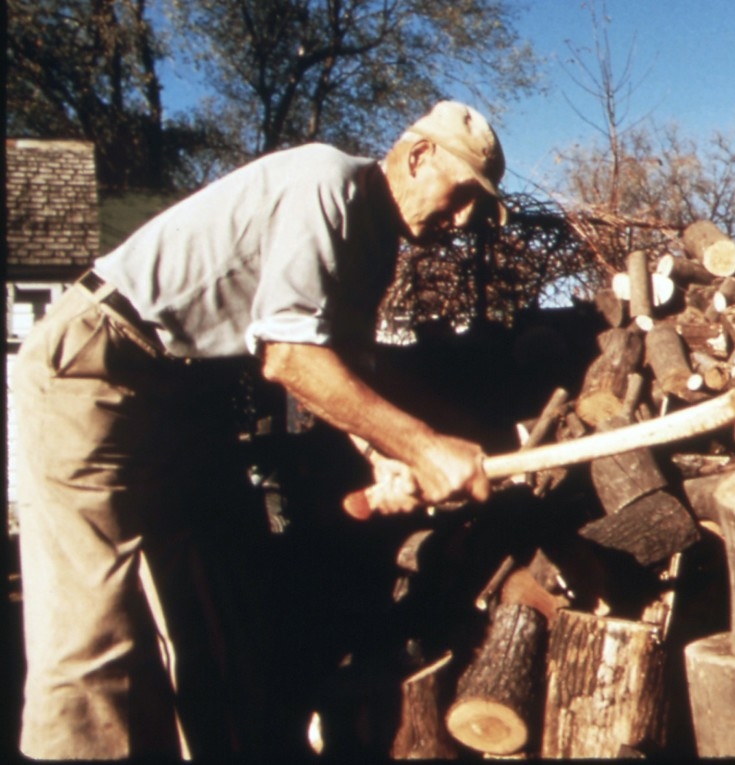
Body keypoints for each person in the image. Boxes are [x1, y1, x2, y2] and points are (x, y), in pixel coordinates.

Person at [12, 101, 504, 758]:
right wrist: (424, 445)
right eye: (465, 192)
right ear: (419, 157)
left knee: (220, 599)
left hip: (181, 396)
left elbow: (342, 369)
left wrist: (386, 458)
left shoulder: (374, 242)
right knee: (93, 628)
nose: (466, 218)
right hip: (97, 366)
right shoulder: (325, 183)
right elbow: (290, 358)